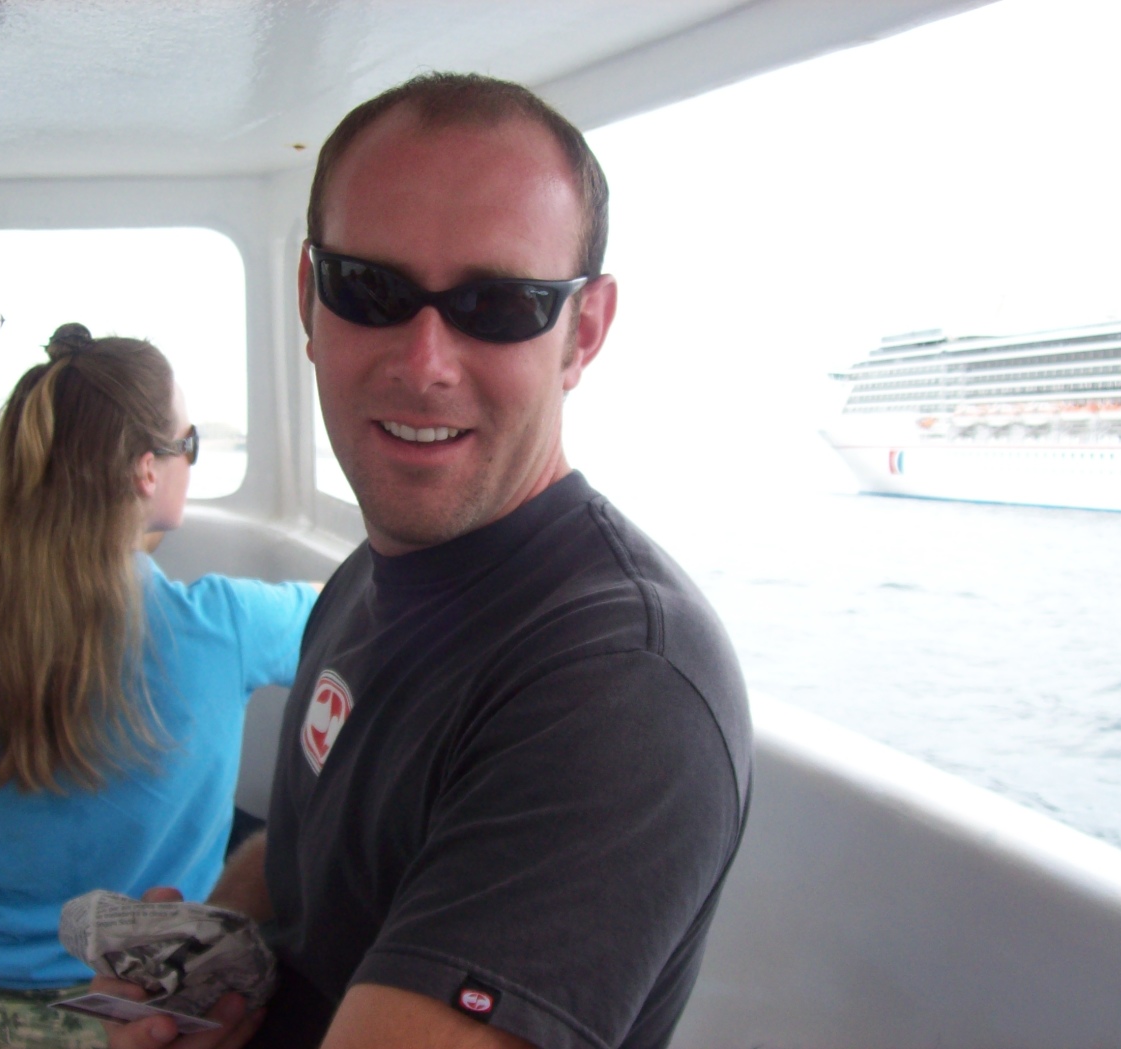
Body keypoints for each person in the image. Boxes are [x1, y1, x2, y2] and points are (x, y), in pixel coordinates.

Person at [104, 72, 752, 1049]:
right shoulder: (363, 581)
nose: (423, 362)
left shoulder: (619, 685)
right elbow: (306, 856)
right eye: (371, 289)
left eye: (498, 303)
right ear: (309, 299)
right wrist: (208, 958)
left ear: (582, 332)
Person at [0, 324, 319, 1048]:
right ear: (146, 470)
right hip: (127, 1019)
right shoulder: (229, 625)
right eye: (187, 445)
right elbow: (366, 609)